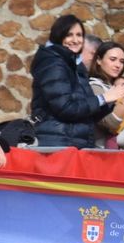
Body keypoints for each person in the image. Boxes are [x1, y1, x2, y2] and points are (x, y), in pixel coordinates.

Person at [30, 16, 114, 149]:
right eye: (69, 35)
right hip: (58, 142)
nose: (75, 40)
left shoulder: (74, 65)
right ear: (59, 36)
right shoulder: (53, 64)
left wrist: (114, 98)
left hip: (76, 142)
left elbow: (88, 112)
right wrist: (103, 98)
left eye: (79, 35)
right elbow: (66, 108)